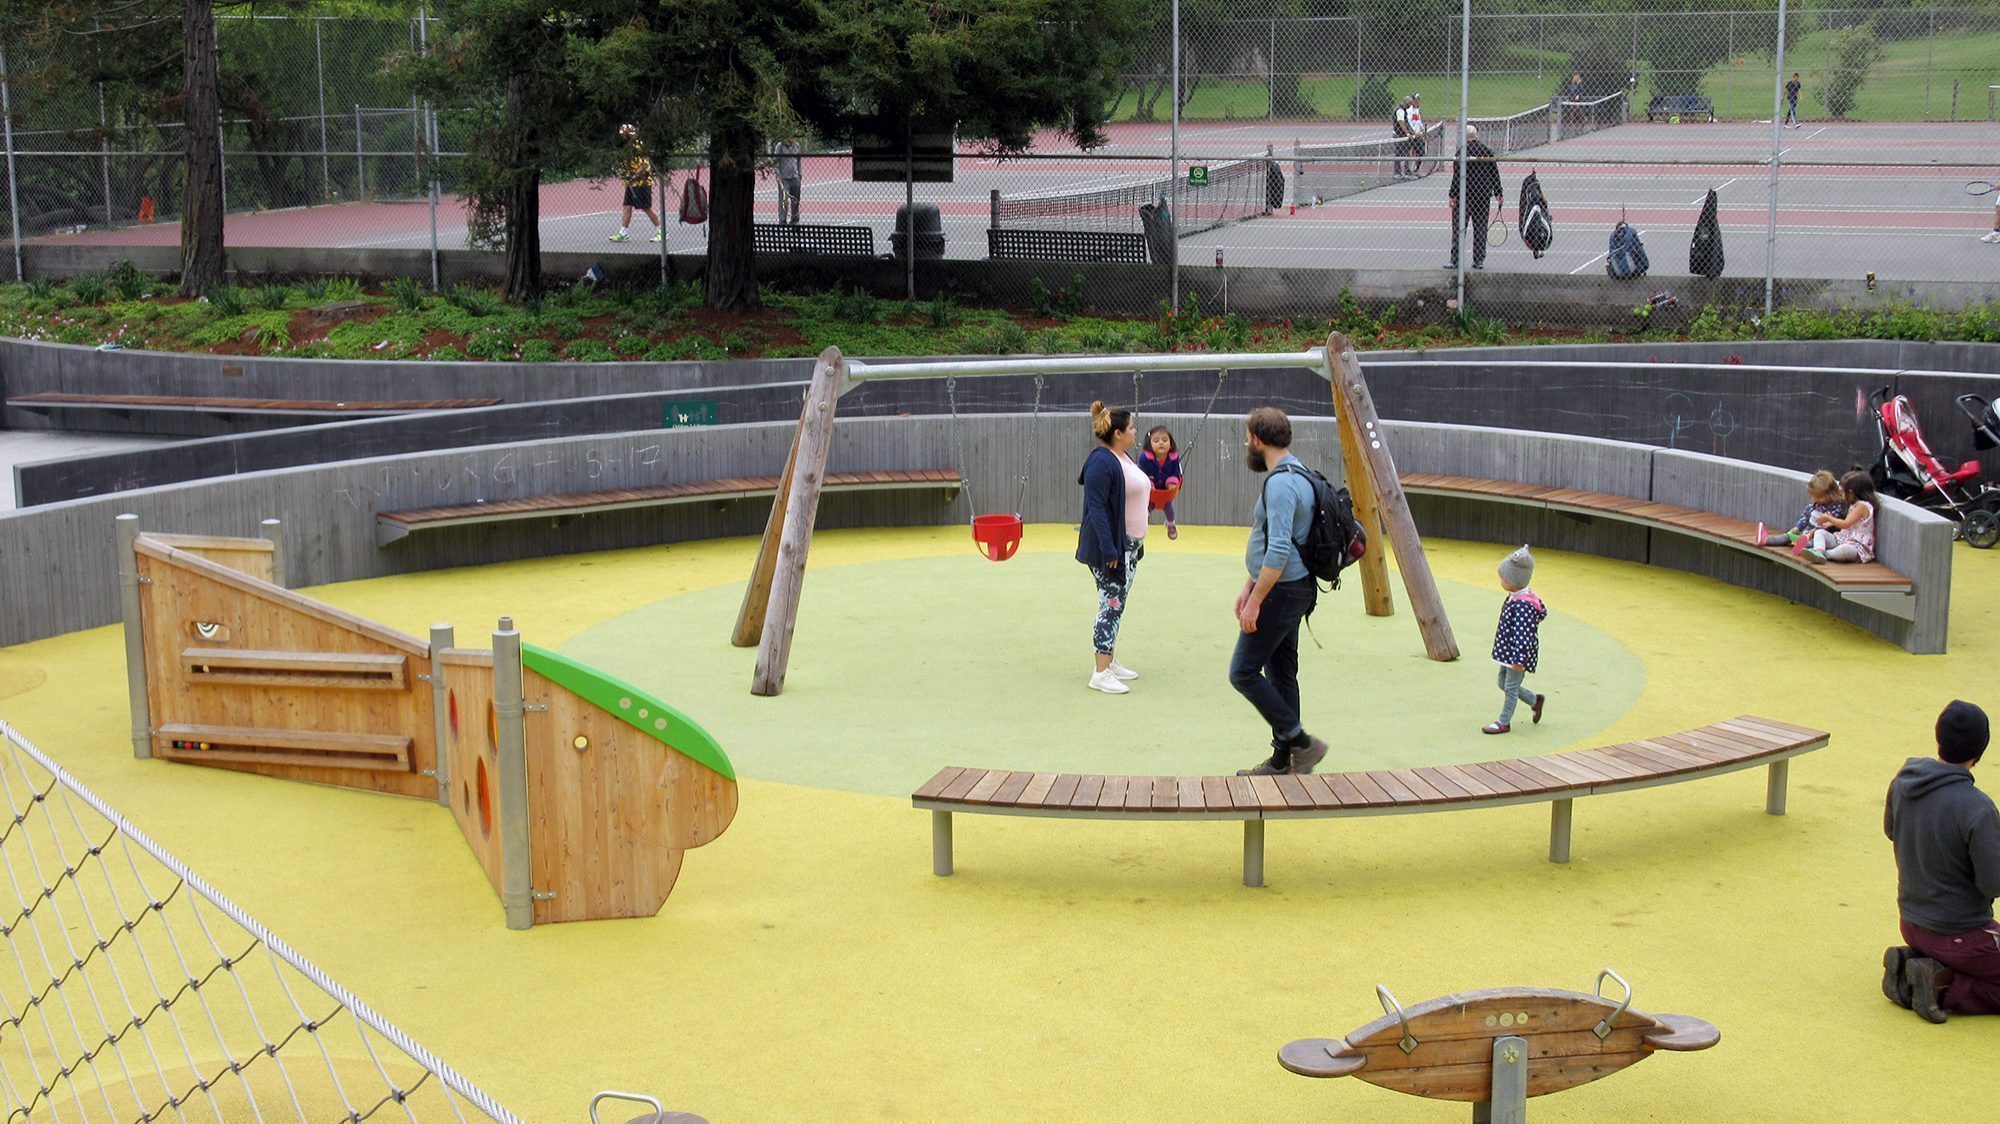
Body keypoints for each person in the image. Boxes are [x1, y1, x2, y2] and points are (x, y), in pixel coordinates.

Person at [1883, 700, 2000, 1022]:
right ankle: (1940, 987)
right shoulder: (1978, 809)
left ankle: (1914, 965)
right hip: (1961, 935)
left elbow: (1891, 831)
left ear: (1940, 738)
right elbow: (1992, 883)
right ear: (1981, 748)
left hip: (1911, 921)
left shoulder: (1903, 783)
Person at [1231, 407, 1330, 776]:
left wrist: (1256, 601)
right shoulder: (1297, 471)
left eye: (1247, 438)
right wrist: (1250, 583)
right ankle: (1282, 759)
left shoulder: (1282, 483)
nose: (1247, 444)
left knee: (1242, 672)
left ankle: (1302, 743)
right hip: (1291, 587)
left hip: (1282, 591)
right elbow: (1279, 540)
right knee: (1282, 672)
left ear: (1257, 439)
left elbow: (1278, 550)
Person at [1076, 401, 1149, 695]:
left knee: (1117, 604)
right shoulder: (1101, 463)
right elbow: (1097, 509)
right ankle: (1101, 671)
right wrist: (1110, 552)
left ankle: (1110, 658)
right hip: (1113, 550)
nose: (1135, 432)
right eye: (1132, 428)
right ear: (1118, 433)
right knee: (1111, 605)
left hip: (1129, 546)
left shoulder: (1122, 457)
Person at [1484, 545, 1547, 735]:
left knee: (1510, 687)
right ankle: (1534, 700)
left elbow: (1523, 635)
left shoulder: (1523, 606)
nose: (1501, 581)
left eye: (1503, 578)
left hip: (1516, 655)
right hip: (1508, 651)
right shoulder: (1515, 597)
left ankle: (1504, 721)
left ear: (1514, 581)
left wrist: (1519, 660)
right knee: (1502, 683)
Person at [1444, 123, 1503, 271]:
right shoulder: (1487, 151)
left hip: (1465, 196)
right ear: (1476, 136)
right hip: (1483, 196)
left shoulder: (1461, 152)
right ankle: (1478, 260)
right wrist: (1498, 192)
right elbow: (1494, 174)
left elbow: (1457, 176)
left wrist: (1452, 195)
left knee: (1459, 229)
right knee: (1481, 228)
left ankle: (1455, 260)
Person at [1755, 469, 1846, 552]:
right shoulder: (1814, 504)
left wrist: (1812, 532)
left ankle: (1802, 547)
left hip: (1819, 537)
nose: (1815, 499)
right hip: (1805, 532)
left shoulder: (1835, 508)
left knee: (1815, 543)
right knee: (1788, 536)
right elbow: (1805, 516)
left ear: (1830, 494)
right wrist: (1798, 527)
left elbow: (1828, 526)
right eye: (1813, 496)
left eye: (1819, 497)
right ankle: (1766, 540)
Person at [1802, 469, 1876, 564]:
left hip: (1856, 544)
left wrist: (1829, 518)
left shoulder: (1861, 506)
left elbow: (1845, 524)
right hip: (1844, 537)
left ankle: (1826, 554)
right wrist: (1830, 523)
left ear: (1851, 492)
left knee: (1845, 550)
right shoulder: (1853, 504)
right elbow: (1848, 524)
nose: (1841, 493)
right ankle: (1818, 552)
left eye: (1843, 491)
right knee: (1820, 532)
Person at [609, 124, 662, 243]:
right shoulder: (626, 147)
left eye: (624, 134)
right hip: (631, 182)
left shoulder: (638, 146)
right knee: (627, 206)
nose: (622, 136)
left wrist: (632, 177)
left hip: (642, 182)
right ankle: (623, 233)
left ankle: (661, 231)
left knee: (645, 208)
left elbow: (644, 166)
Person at [1140, 425, 1183, 541]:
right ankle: (1140, 526)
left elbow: (1176, 473)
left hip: (1166, 492)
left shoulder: (1174, 458)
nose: (1161, 443)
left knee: (1169, 508)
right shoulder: (1145, 458)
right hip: (1151, 493)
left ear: (1170, 443)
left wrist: (1172, 482)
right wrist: (1149, 484)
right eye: (1156, 440)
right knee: (1146, 509)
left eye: (1165, 440)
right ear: (1150, 444)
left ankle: (1170, 525)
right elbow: (1142, 474)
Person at [774, 136, 803, 225]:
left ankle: (795, 219)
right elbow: (776, 162)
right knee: (784, 201)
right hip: (784, 179)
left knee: (795, 200)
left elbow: (798, 161)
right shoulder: (780, 146)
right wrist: (778, 176)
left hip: (795, 177)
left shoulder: (797, 146)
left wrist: (799, 174)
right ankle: (782, 221)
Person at [1392, 95, 1415, 180]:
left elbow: (1407, 123)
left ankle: (1406, 171)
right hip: (1399, 135)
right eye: (1409, 103)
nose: (1410, 105)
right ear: (1405, 102)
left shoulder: (1404, 110)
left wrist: (1413, 132)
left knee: (1405, 153)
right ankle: (1398, 173)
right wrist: (1407, 133)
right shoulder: (1400, 110)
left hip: (1402, 135)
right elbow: (1401, 122)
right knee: (1399, 153)